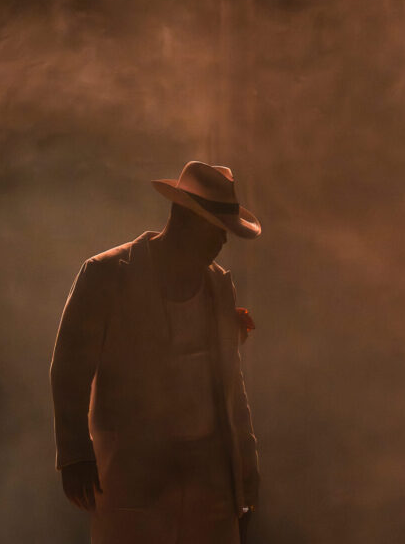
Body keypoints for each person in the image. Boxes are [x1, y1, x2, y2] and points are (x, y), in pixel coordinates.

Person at [50, 161, 261, 543]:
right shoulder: (107, 274)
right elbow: (70, 367)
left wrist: (245, 479)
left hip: (210, 485)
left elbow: (233, 388)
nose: (223, 241)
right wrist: (75, 454)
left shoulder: (218, 286)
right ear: (184, 220)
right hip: (134, 479)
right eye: (217, 228)